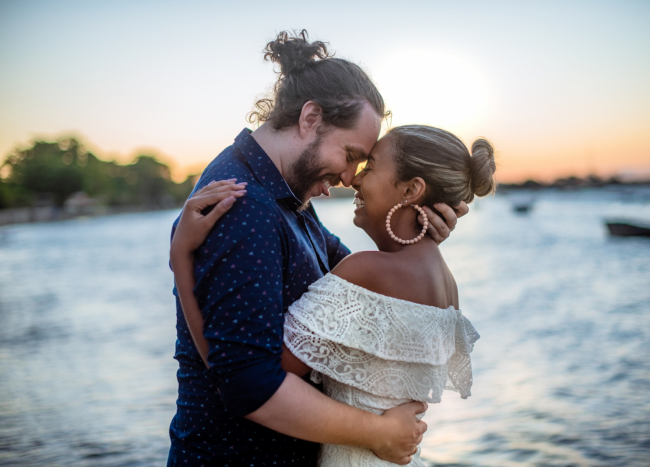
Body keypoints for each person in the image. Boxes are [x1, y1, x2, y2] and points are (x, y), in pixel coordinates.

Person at [166, 30, 467, 466]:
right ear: (310, 118)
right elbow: (248, 383)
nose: (350, 177)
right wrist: (379, 433)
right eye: (350, 154)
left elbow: (375, 290)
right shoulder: (243, 204)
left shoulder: (289, 199)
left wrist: (422, 232)